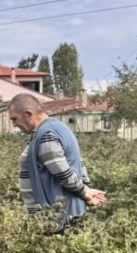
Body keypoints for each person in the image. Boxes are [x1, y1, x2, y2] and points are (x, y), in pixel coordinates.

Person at [8, 93, 106, 225]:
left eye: (14, 119)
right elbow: (79, 163)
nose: (14, 124)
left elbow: (63, 173)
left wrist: (85, 192)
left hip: (59, 216)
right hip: (63, 214)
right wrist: (86, 190)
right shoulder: (57, 128)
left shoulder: (46, 134)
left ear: (28, 114)